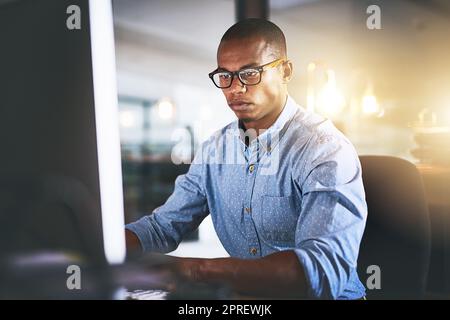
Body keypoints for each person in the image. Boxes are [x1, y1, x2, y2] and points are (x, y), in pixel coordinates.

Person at [125, 18, 367, 300]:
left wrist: (198, 269)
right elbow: (162, 227)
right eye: (225, 76)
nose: (235, 89)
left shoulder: (325, 148)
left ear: (286, 71)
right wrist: (99, 247)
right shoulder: (215, 149)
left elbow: (321, 273)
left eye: (250, 73)